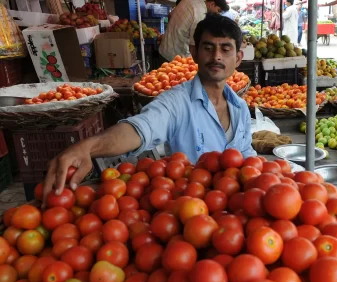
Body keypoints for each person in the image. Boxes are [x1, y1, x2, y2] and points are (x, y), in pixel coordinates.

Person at [43, 14, 256, 200]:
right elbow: (140, 128)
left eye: (225, 49)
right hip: (190, 208)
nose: (216, 56)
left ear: (238, 58)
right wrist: (89, 147)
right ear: (194, 52)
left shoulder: (240, 108)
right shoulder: (176, 102)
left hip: (234, 212)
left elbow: (247, 158)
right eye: (208, 48)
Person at [159, 0, 229, 63]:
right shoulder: (200, 14)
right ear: (212, 4)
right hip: (176, 59)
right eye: (218, 10)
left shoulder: (189, 1)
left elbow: (170, 15)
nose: (218, 14)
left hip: (165, 50)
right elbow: (193, 45)